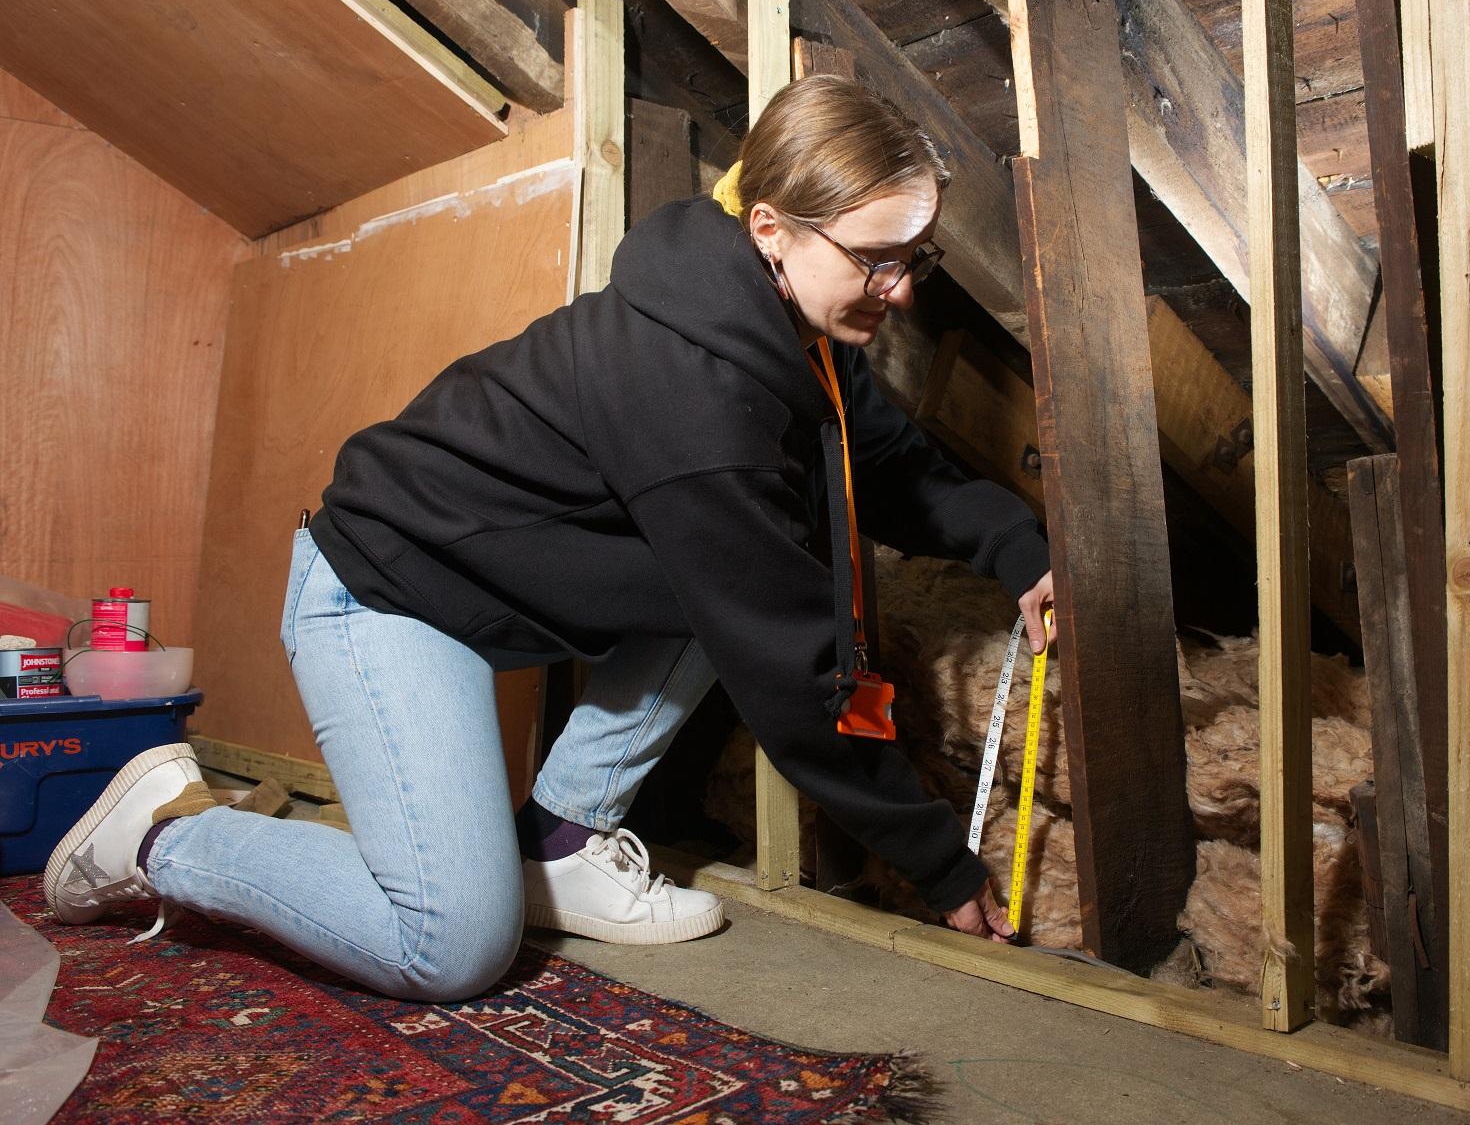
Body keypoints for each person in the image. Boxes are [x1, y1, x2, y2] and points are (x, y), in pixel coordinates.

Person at [43, 76, 1055, 1002]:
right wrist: (939, 862)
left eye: (913, 258)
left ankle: (562, 842)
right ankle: (166, 836)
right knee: (449, 945)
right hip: (385, 591)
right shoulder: (695, 394)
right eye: (876, 260)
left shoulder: (788, 327)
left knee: (735, 573)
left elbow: (885, 462)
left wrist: (1022, 550)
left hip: (496, 578)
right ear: (771, 228)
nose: (903, 289)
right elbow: (789, 668)